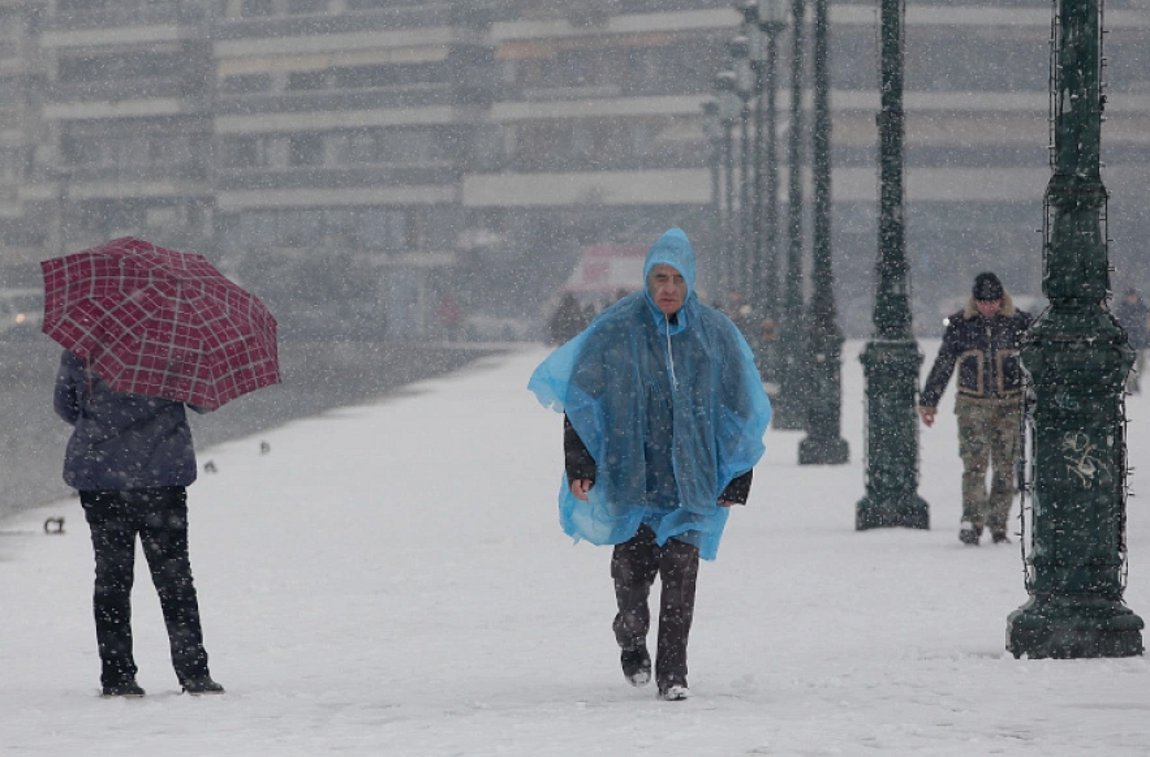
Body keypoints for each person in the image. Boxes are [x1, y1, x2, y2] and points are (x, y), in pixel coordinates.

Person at [528, 228, 771, 701]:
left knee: (682, 574)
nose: (668, 288)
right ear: (646, 278)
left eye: (678, 278)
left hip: (692, 479)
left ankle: (673, 673)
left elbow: (742, 410)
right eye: (660, 277)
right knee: (632, 576)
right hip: (631, 476)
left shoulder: (716, 335)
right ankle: (631, 635)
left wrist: (738, 474)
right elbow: (582, 399)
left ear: (691, 280)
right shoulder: (616, 330)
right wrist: (582, 463)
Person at [54, 350, 224, 698]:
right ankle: (194, 672)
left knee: (112, 577)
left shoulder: (83, 345)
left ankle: (117, 675)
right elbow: (204, 402)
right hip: (163, 476)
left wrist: (104, 424)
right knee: (174, 577)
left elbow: (65, 405)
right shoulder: (174, 341)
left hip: (102, 476)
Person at [918, 272, 1031, 546]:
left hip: (1010, 405)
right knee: (975, 465)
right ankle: (972, 520)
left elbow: (1034, 365)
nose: (988, 307)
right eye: (983, 302)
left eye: (992, 301)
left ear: (1001, 299)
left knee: (1005, 468)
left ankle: (998, 524)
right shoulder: (961, 325)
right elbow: (944, 364)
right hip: (972, 406)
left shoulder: (1020, 324)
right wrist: (929, 401)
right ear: (975, 300)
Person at [1115, 288, 1149, 394]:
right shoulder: (1121, 311)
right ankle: (1130, 384)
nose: (1132, 298)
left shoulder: (1144, 309)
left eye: (1133, 296)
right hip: (1128, 343)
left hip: (1141, 342)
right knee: (1129, 366)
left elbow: (1148, 325)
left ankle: (1135, 382)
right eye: (1130, 296)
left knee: (1141, 366)